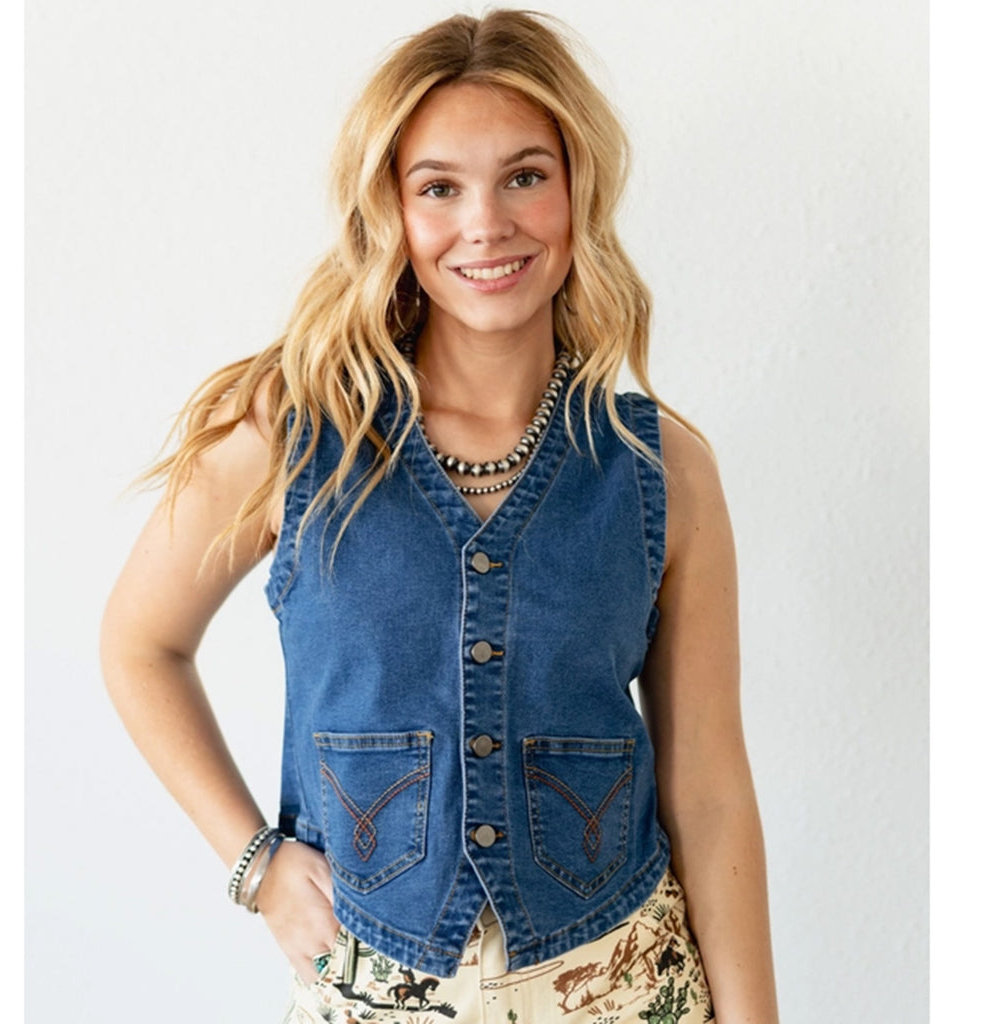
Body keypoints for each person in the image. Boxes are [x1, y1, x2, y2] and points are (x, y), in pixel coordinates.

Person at [101, 9, 779, 1022]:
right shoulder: (293, 435)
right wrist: (256, 864)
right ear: (391, 211)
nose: (486, 224)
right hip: (373, 990)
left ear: (578, 188)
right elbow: (138, 645)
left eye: (524, 176)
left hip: (627, 984)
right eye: (439, 188)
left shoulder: (662, 469)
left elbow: (711, 788)